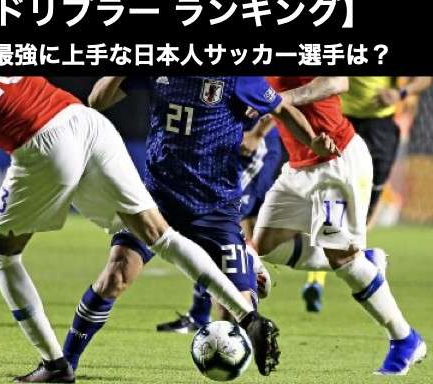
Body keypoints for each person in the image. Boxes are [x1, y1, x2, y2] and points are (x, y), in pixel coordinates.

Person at [0, 76, 301, 383]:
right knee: (153, 238)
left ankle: (55, 365)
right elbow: (95, 98)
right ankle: (248, 316)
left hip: (46, 142)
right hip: (86, 122)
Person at [61, 76, 339, 376]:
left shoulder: (237, 78)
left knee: (235, 311)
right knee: (115, 275)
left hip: (215, 207)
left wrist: (312, 141)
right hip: (157, 200)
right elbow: (97, 101)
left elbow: (281, 108)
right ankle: (64, 364)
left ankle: (246, 269)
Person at [252, 76, 426, 375]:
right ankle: (365, 262)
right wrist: (258, 130)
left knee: (341, 257)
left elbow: (337, 82)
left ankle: (404, 339)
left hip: (335, 160)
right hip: (298, 166)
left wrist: (284, 99)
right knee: (266, 246)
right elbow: (270, 99)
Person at [302, 76, 432, 312]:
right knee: (332, 199)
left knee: (367, 206)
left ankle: (360, 257)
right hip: (341, 122)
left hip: (379, 126)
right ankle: (317, 280)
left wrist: (400, 93)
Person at [156, 115, 284, 332]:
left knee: (223, 222)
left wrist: (258, 133)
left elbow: (278, 100)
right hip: (225, 143)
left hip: (252, 147)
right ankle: (209, 309)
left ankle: (248, 278)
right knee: (210, 226)